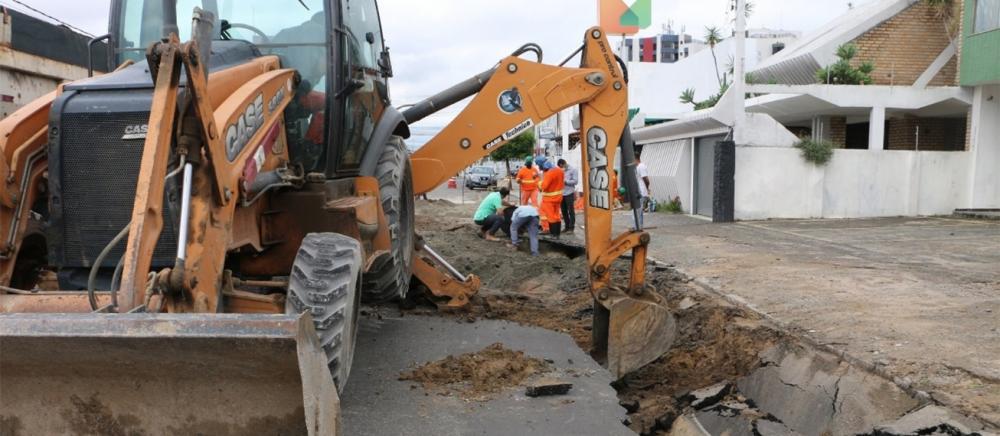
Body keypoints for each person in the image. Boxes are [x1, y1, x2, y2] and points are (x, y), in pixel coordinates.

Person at [539, 161, 565, 238]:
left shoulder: (549, 174)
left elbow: (543, 187)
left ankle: (553, 235)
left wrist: (539, 182)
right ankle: (557, 234)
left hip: (549, 199)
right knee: (557, 215)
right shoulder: (560, 171)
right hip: (558, 198)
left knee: (551, 217)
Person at [558, 159, 578, 233]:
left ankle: (571, 228)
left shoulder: (573, 170)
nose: (562, 168)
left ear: (564, 163)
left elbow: (575, 181)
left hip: (569, 193)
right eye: (560, 167)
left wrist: (566, 182)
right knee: (563, 211)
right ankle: (566, 226)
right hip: (562, 193)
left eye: (562, 166)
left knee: (571, 211)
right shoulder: (561, 170)